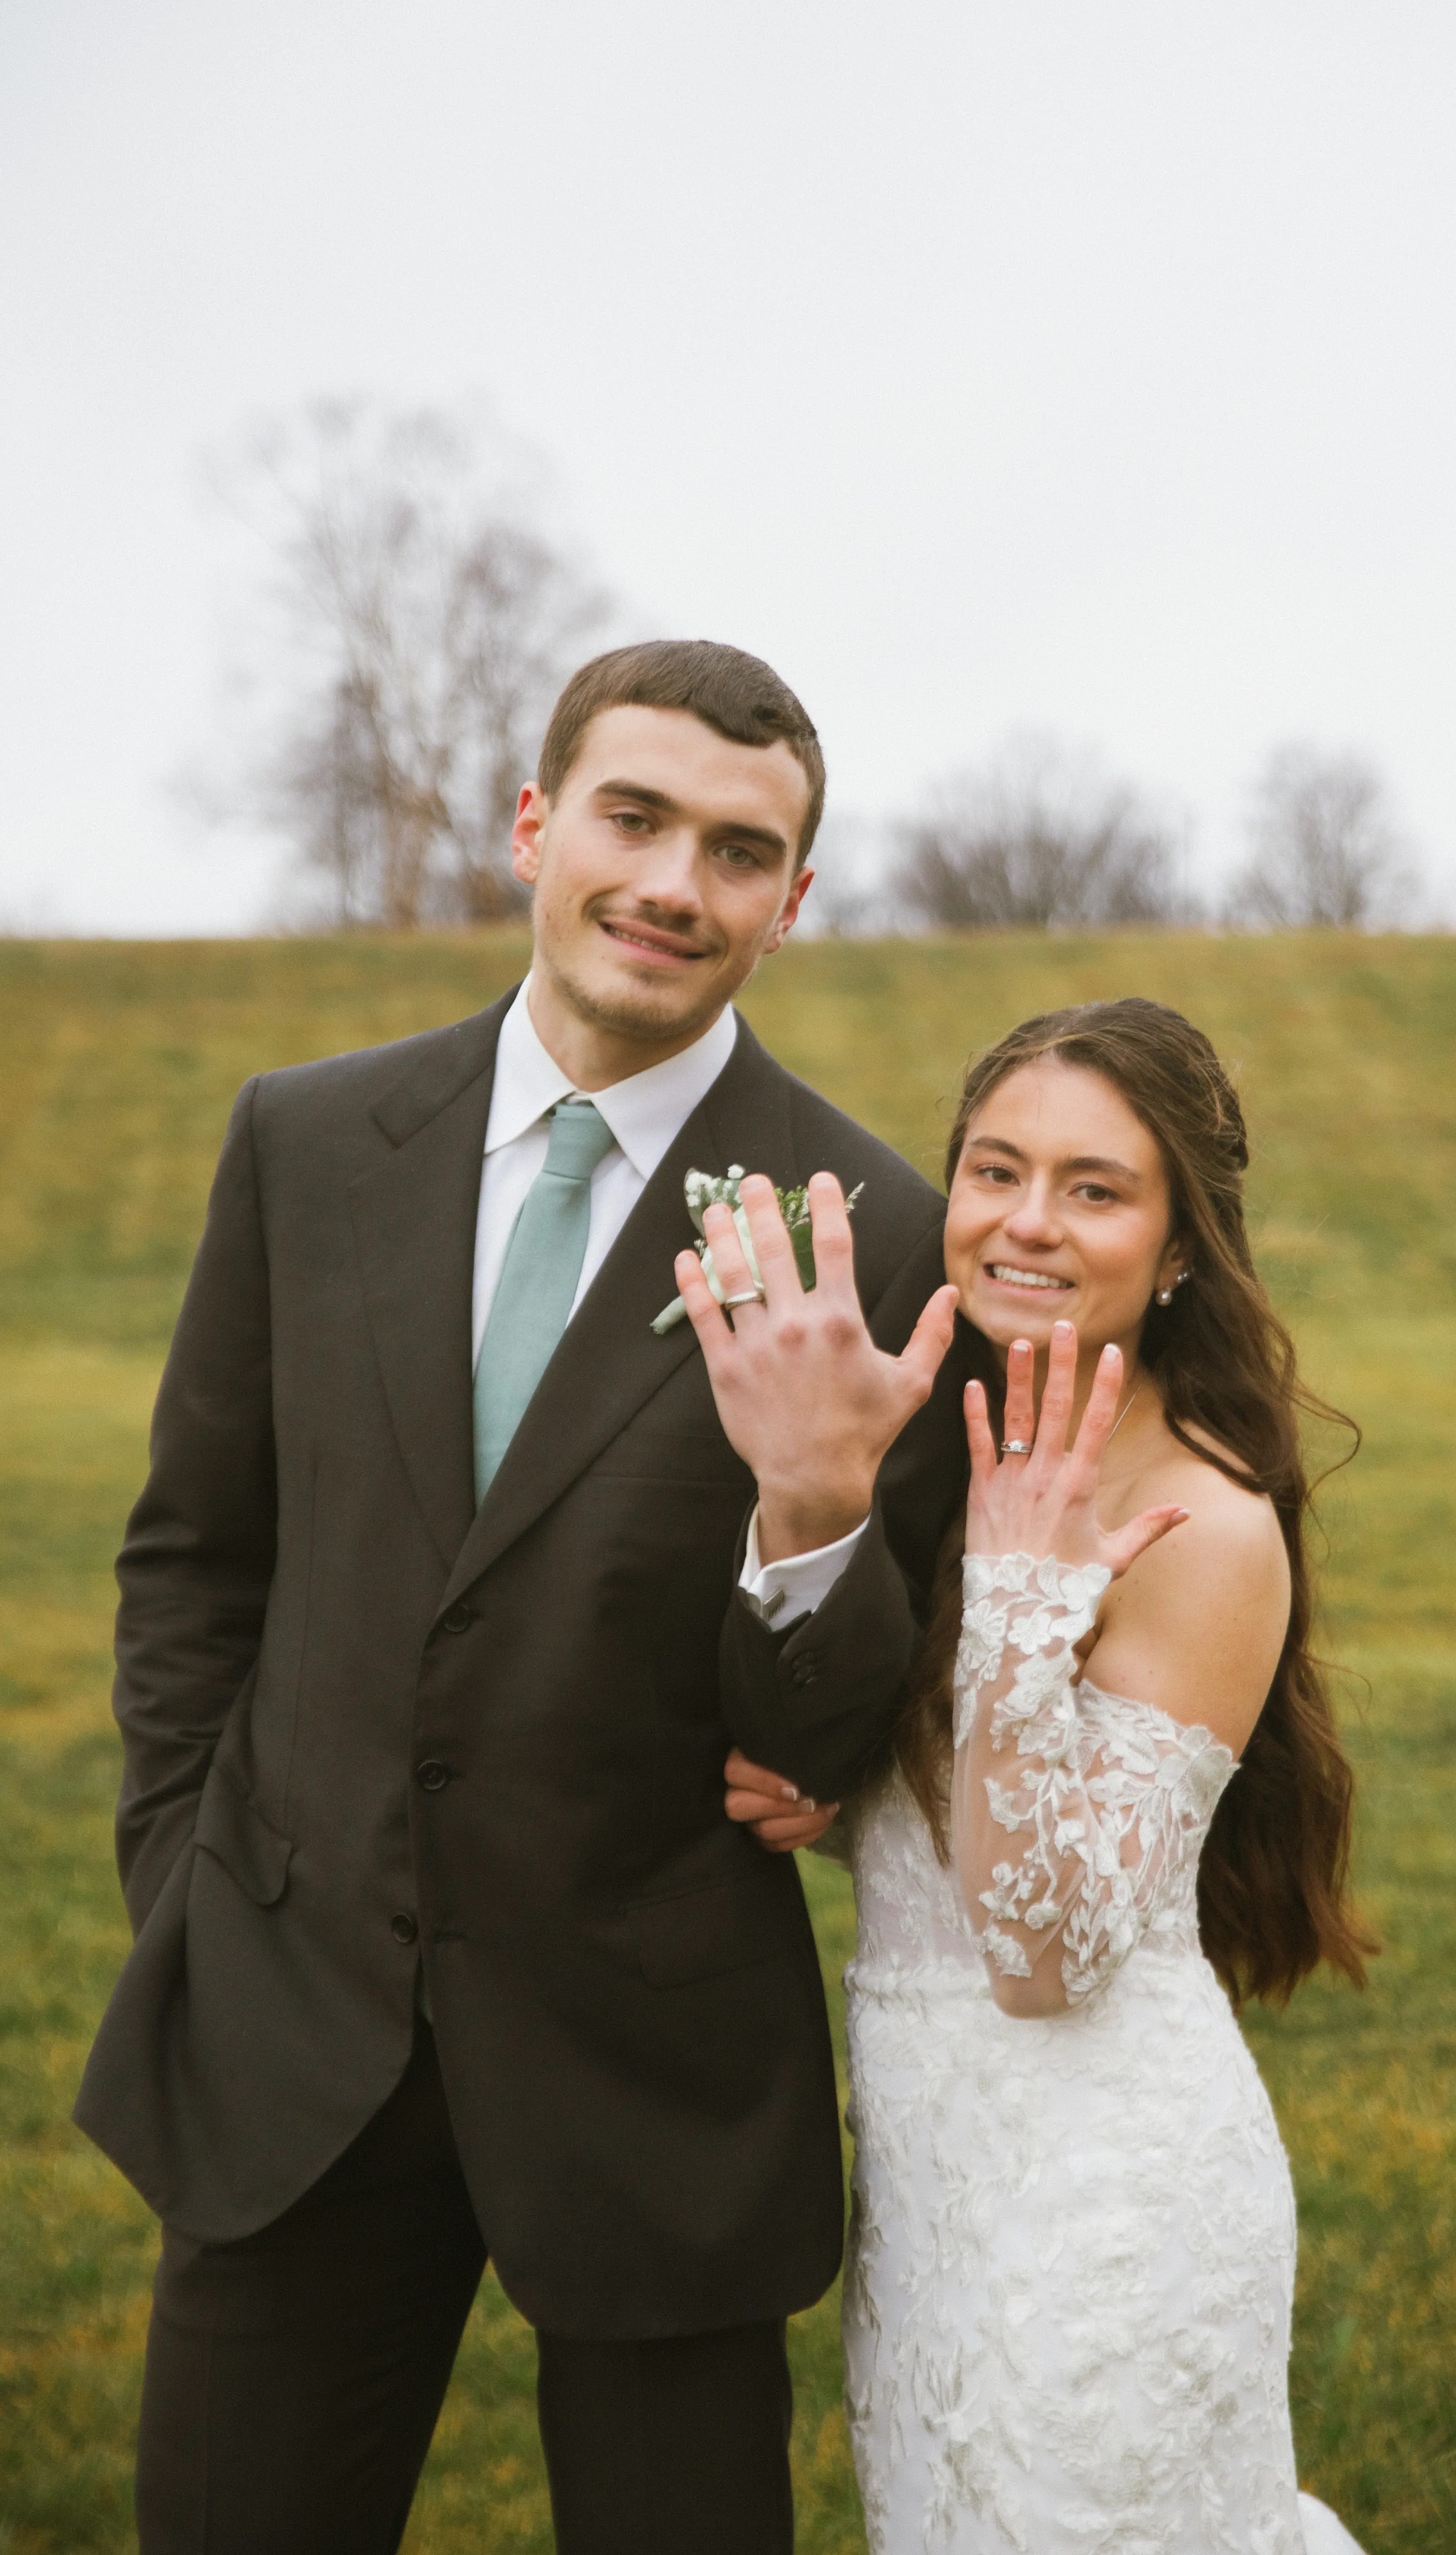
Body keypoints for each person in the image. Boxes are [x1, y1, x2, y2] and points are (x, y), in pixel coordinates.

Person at [74, 640, 975, 2555]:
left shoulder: (867, 1228)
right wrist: (189, 1881)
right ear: (534, 825)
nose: (673, 884)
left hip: (654, 2082)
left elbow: (827, 1742)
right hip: (292, 2032)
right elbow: (196, 1561)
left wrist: (816, 1506)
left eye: (740, 853)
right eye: (634, 820)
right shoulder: (304, 1142)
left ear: (792, 905)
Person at [684, 998, 1376, 2553]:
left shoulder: (1206, 1518)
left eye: (1095, 1187)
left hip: (1103, 2199)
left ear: (1181, 1245)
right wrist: (847, 1792)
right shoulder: (961, 1436)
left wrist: (1012, 1593)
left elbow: (1047, 1947)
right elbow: (978, 1812)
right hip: (936, 2194)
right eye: (995, 1170)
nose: (1026, 1222)